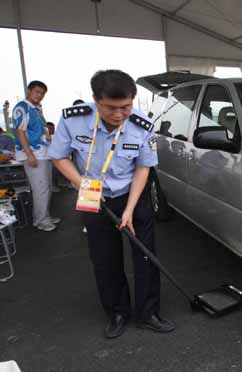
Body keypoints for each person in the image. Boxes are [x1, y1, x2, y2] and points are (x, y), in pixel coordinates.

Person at [48, 70, 174, 339]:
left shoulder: (140, 125)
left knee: (145, 254)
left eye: (125, 107)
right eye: (111, 108)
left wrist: (129, 209)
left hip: (132, 194)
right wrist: (81, 183)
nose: (119, 115)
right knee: (105, 259)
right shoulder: (74, 120)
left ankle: (148, 312)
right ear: (95, 100)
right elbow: (59, 157)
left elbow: (143, 168)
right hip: (93, 195)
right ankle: (117, 312)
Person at [12, 80, 60, 231]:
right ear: (29, 91)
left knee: (46, 187)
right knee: (40, 188)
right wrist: (29, 154)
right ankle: (41, 220)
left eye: (42, 94)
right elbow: (19, 131)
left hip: (43, 152)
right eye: (37, 92)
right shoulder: (23, 107)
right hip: (33, 154)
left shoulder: (37, 109)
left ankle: (43, 215)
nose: (40, 96)